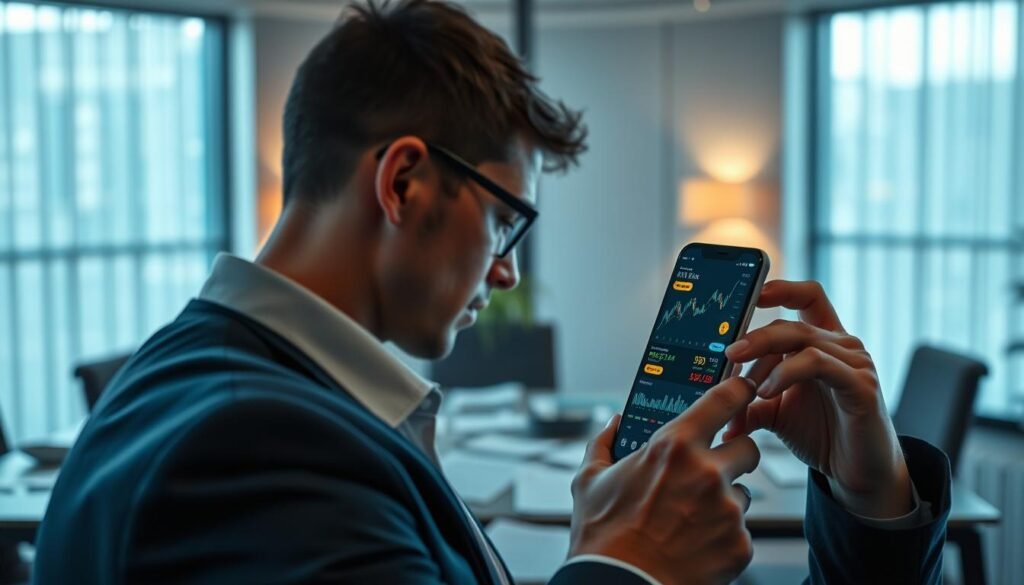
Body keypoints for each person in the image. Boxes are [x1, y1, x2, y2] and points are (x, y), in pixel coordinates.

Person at [33, 1, 950, 583]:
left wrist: (872, 497)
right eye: (507, 220)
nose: (507, 270)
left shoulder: (222, 384)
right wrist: (620, 567)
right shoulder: (247, 450)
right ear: (403, 184)